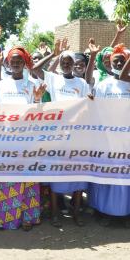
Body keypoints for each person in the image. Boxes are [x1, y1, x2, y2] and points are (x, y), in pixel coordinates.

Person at [0, 47, 45, 231]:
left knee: (28, 178)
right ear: (8, 63)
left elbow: (40, 113)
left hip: (28, 139)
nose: (16, 63)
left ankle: (29, 217)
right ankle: (7, 219)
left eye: (19, 61)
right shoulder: (1, 85)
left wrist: (36, 100)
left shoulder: (34, 83)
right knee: (6, 178)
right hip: (6, 139)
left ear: (25, 63)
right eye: (12, 61)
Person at [89, 34, 130, 227]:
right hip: (107, 137)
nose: (119, 63)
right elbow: (97, 110)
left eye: (122, 60)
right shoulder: (103, 84)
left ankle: (124, 213)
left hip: (129, 137)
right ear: (109, 64)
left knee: (125, 175)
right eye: (116, 61)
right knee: (107, 174)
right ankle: (103, 211)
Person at [32, 40, 90, 227]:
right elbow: (34, 69)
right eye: (63, 62)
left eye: (69, 62)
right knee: (56, 174)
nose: (66, 64)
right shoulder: (53, 79)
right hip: (56, 134)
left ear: (74, 65)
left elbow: (88, 104)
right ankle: (56, 213)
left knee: (77, 175)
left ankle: (76, 213)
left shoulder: (81, 82)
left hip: (76, 135)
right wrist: (54, 54)